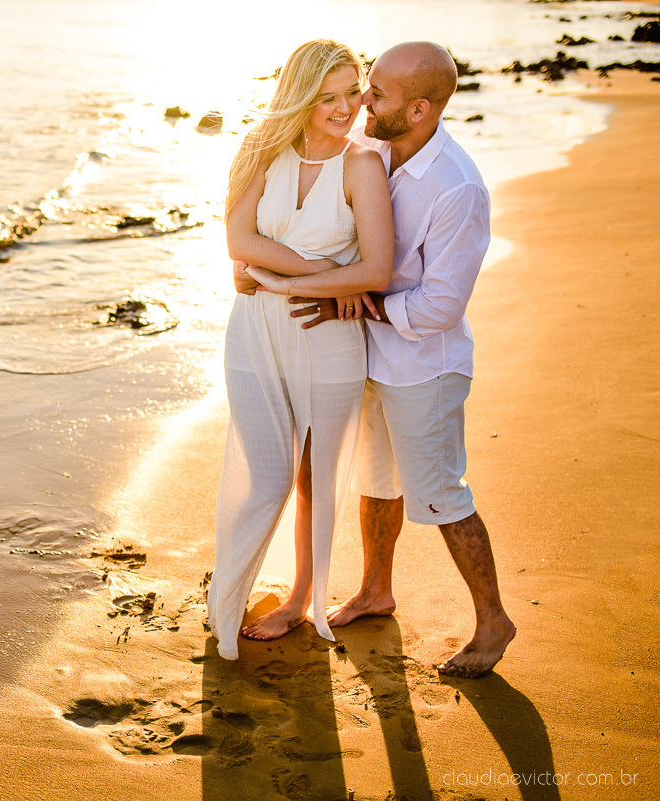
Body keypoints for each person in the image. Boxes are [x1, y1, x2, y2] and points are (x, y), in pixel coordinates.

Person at [241, 42, 516, 678]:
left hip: (425, 366)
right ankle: (375, 590)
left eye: (379, 94)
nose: (363, 100)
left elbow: (440, 307)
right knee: (376, 482)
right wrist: (255, 261)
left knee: (441, 494)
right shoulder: (376, 148)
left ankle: (494, 619)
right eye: (367, 85)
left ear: (419, 109)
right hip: (368, 354)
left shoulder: (458, 189)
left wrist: (355, 306)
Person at [206, 39, 393, 661]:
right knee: (266, 473)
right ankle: (227, 596)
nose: (345, 108)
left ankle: (298, 599)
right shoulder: (261, 147)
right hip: (255, 330)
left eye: (353, 92)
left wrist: (284, 278)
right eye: (327, 96)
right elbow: (237, 237)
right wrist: (317, 273)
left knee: (315, 477)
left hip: (329, 338)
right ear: (300, 95)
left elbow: (377, 268)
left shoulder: (362, 164)